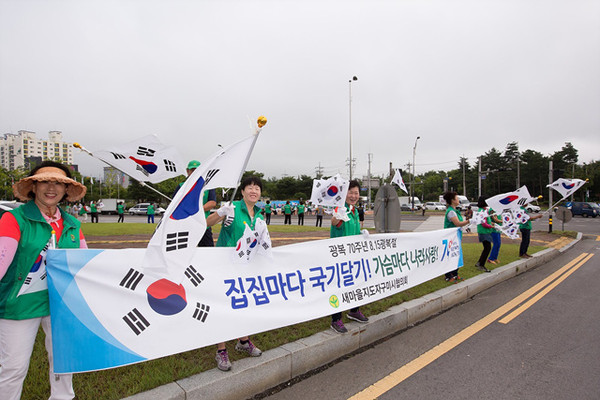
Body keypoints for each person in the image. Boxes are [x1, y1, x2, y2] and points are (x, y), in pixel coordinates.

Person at [0, 160, 88, 400]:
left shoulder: (72, 224)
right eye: (45, 182)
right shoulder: (14, 219)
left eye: (58, 183)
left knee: (63, 362)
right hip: (19, 305)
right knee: (13, 368)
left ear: (66, 190)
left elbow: (85, 268)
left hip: (61, 306)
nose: (52, 188)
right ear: (34, 187)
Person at [206, 176, 265, 371]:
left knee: (243, 304)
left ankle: (243, 341)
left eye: (257, 188)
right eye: (250, 187)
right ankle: (221, 350)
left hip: (246, 267)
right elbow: (207, 223)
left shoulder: (259, 215)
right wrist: (220, 213)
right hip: (225, 266)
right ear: (242, 191)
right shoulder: (232, 208)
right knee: (224, 306)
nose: (254, 190)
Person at [329, 180, 369, 333]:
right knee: (339, 287)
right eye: (350, 192)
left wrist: (361, 234)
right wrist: (337, 216)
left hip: (353, 255)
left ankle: (354, 310)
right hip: (339, 257)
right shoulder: (341, 209)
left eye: (356, 193)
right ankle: (336, 319)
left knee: (356, 283)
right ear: (344, 194)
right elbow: (335, 222)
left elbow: (353, 230)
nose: (353, 196)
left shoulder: (354, 211)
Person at [173, 160, 217, 246]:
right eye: (192, 170)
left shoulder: (208, 186)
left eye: (197, 170)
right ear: (188, 171)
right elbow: (174, 204)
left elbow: (212, 203)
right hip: (185, 225)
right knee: (184, 252)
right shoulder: (181, 186)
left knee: (207, 252)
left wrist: (197, 210)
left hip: (204, 225)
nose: (194, 172)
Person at [442, 191, 471, 282]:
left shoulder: (455, 210)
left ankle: (454, 274)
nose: (458, 200)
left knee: (456, 255)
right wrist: (469, 221)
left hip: (455, 237)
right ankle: (448, 276)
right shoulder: (451, 212)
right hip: (451, 237)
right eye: (457, 198)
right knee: (450, 256)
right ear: (452, 200)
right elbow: (458, 223)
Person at [475, 196, 493, 273]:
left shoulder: (483, 210)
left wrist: (490, 223)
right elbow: (484, 223)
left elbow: (486, 221)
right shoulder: (482, 211)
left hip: (484, 231)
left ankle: (479, 262)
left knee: (487, 248)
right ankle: (481, 264)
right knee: (487, 248)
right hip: (484, 231)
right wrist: (491, 226)